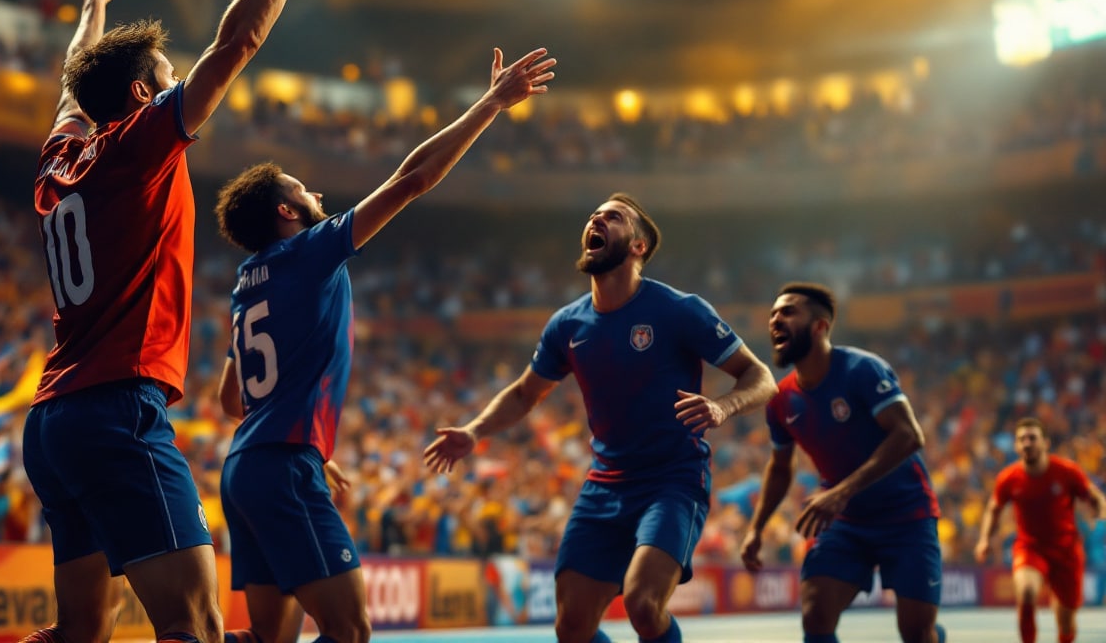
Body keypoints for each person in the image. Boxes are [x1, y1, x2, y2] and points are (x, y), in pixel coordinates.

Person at [20, 0, 329, 642]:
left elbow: (71, 90)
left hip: (53, 421)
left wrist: (92, 10)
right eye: (165, 78)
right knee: (195, 627)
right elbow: (238, 43)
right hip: (117, 411)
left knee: (78, 634)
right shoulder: (136, 147)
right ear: (140, 93)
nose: (177, 87)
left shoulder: (62, 159)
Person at [213, 46, 556, 643]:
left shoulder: (245, 285)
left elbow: (228, 399)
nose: (316, 190)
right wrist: (491, 103)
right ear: (288, 211)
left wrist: (299, 433)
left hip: (245, 467)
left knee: (269, 637)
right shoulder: (310, 249)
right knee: (350, 631)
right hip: (283, 468)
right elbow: (412, 179)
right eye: (303, 189)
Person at [423, 193, 777, 643]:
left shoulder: (678, 310)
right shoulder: (567, 326)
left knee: (643, 605)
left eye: (613, 217)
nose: (597, 219)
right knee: (571, 628)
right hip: (604, 485)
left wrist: (723, 406)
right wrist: (474, 430)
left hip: (673, 480)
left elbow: (760, 375)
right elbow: (525, 393)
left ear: (638, 246)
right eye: (594, 215)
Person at [739, 282, 946, 643]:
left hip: (906, 517)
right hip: (845, 523)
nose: (775, 320)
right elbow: (780, 465)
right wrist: (757, 527)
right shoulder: (781, 400)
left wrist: (842, 491)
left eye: (788, 312)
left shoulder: (863, 370)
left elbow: (909, 435)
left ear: (821, 326)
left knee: (916, 632)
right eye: (772, 314)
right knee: (815, 614)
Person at [974, 417, 1106, 643]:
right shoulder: (1008, 478)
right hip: (1030, 547)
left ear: (1045, 442)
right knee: (1026, 592)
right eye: (1022, 439)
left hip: (1066, 551)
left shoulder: (1066, 471)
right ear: (1016, 446)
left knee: (1065, 623)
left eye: (1032, 438)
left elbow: (1094, 496)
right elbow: (993, 509)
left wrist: (1100, 513)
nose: (1027, 443)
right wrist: (984, 539)